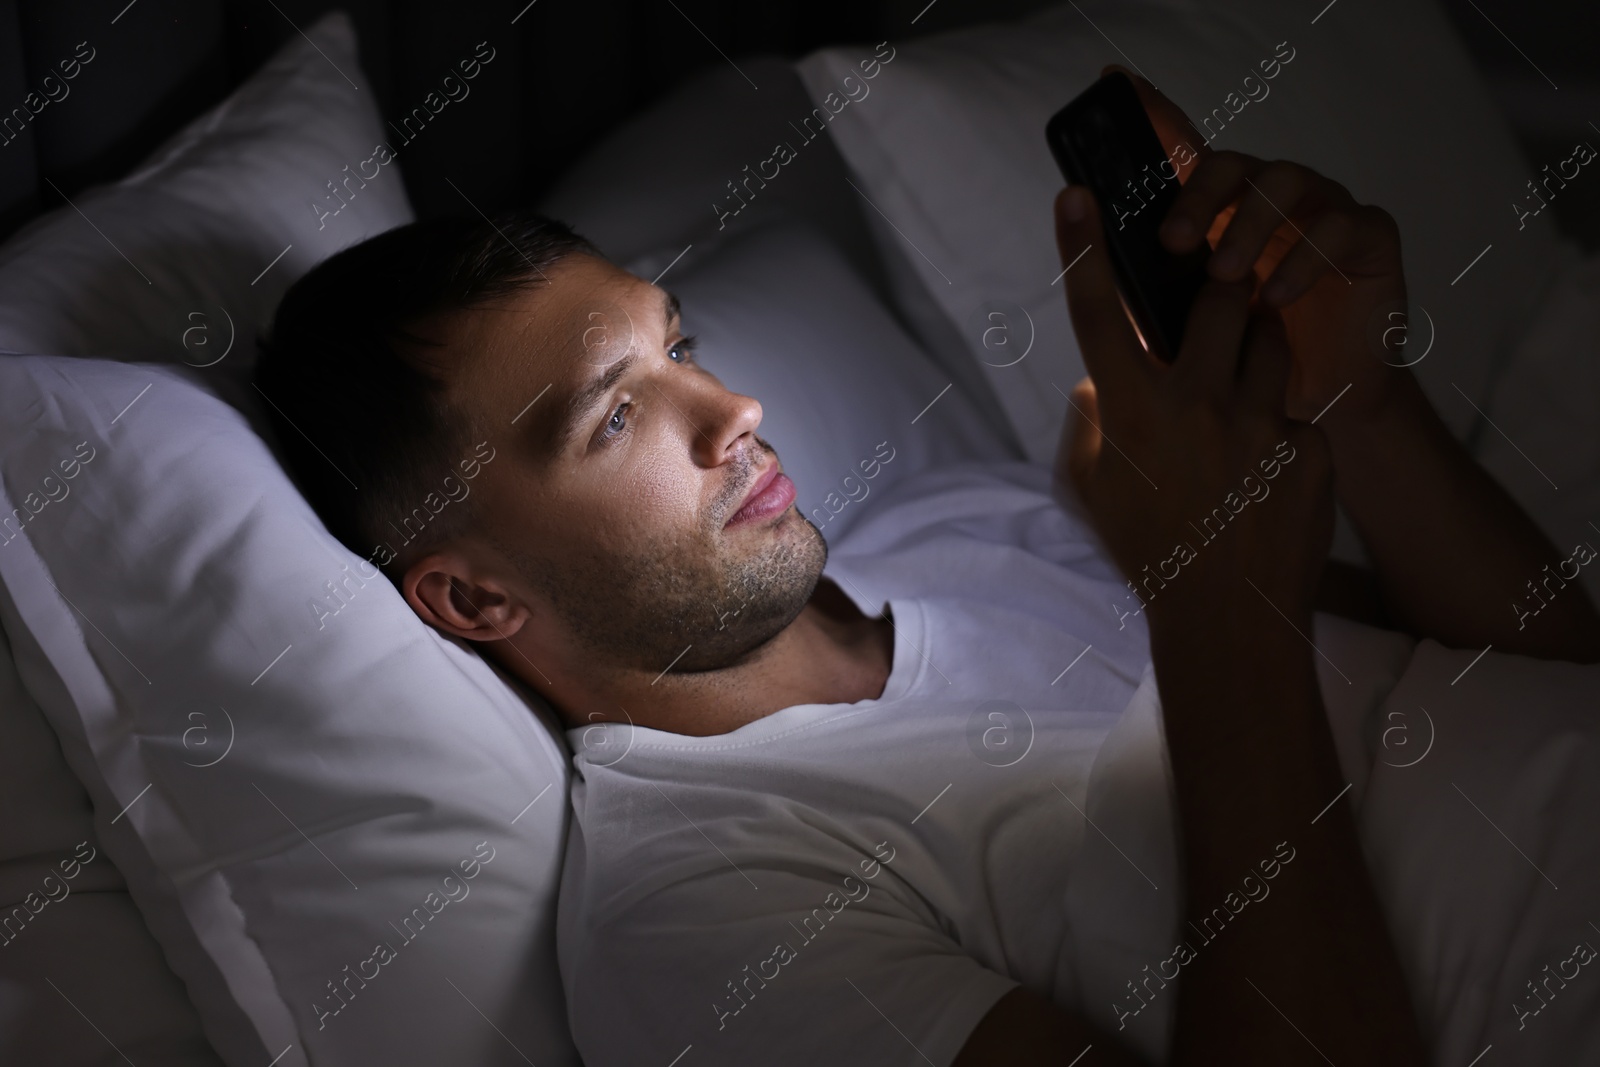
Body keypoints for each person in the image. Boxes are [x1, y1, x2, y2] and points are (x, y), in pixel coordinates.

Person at [254, 68, 1600, 1065]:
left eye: (680, 345)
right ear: (476, 597)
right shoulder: (700, 919)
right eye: (615, 418)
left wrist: (1365, 407)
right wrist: (1212, 600)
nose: (732, 413)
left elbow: (1524, 675)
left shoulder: (969, 520)